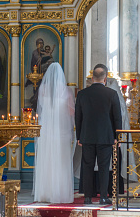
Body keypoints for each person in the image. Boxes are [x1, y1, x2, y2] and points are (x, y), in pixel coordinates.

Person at [76, 64, 122, 205]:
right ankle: (103, 196)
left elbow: (78, 117)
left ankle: (88, 197)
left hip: (87, 136)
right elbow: (117, 117)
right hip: (106, 137)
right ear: (105, 79)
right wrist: (117, 137)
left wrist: (79, 137)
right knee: (103, 167)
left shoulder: (82, 94)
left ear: (92, 78)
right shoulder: (112, 94)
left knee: (88, 166)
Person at [33, 63, 75, 203]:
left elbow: (40, 109)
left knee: (46, 160)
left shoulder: (43, 89)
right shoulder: (66, 91)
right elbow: (71, 113)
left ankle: (44, 192)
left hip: (45, 132)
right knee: (61, 162)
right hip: (62, 133)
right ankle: (60, 192)